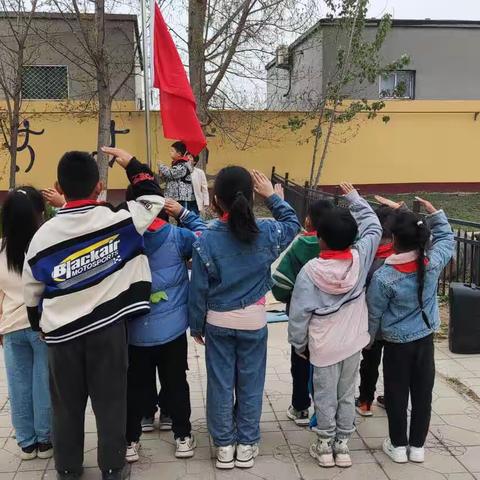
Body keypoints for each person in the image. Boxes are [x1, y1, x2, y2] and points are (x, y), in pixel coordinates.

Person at [23, 148, 165, 480]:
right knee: (111, 403)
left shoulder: (41, 237)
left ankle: (68, 469)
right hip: (108, 333)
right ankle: (113, 468)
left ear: (59, 186)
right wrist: (131, 163)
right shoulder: (118, 220)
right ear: (99, 186)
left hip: (61, 338)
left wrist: (38, 325)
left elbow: (32, 292)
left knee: (66, 408)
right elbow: (152, 198)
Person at [189, 168, 300, 470]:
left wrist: (196, 324)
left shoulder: (206, 237)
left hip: (218, 321)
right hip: (254, 321)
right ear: (251, 198)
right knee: (250, 383)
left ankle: (224, 446)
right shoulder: (266, 230)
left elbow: (198, 288)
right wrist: (273, 197)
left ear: (215, 200)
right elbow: (293, 224)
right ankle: (247, 444)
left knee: (221, 384)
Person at [289, 183, 382, 469]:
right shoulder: (361, 258)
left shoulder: (310, 271)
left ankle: (325, 445)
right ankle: (343, 445)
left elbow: (299, 315)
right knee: (345, 394)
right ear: (353, 238)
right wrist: (355, 199)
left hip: (323, 346)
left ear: (320, 239)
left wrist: (299, 344)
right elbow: (374, 228)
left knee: (325, 396)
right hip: (352, 343)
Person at [368, 197, 454, 464]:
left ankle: (397, 445)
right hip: (425, 340)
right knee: (422, 393)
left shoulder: (383, 277)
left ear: (393, 239)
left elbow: (374, 314)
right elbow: (447, 240)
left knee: (396, 394)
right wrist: (436, 213)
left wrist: (368, 341)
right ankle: (417, 447)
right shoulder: (432, 263)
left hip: (395, 344)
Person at [124, 193, 205, 463]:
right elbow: (206, 237)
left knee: (135, 383)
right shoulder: (177, 236)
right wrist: (184, 213)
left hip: (135, 328)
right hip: (172, 329)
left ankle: (133, 438)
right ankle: (182, 435)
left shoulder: (124, 237)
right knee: (175, 381)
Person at [0, 187, 53, 461]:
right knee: (43, 382)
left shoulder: (0, 248)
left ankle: (26, 443)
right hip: (40, 325)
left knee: (18, 385)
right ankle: (45, 441)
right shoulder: (42, 244)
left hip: (10, 327)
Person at [271, 199, 334, 426]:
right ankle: (327, 410)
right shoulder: (342, 244)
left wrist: (290, 298)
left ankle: (300, 407)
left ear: (309, 219)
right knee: (328, 363)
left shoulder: (300, 246)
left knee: (301, 359)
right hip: (333, 317)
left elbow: (280, 284)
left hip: (303, 317)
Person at [355, 201, 398, 417]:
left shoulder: (366, 255)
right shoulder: (401, 256)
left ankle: (365, 401)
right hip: (396, 323)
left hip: (371, 322)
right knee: (393, 365)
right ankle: (392, 400)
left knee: (369, 362)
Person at [158, 141, 197, 213]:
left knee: (183, 218)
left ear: (179, 154)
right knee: (177, 218)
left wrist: (161, 165)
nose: (170, 152)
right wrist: (162, 175)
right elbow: (170, 178)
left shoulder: (183, 165)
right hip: (174, 197)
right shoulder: (176, 164)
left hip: (182, 197)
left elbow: (171, 173)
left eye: (172, 151)